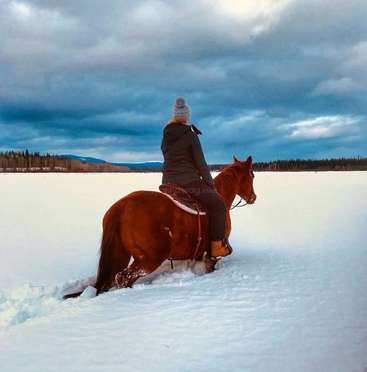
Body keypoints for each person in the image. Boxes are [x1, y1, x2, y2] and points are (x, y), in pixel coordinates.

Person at [160, 97, 231, 258]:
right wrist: (210, 185)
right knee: (219, 205)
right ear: (186, 116)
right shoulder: (191, 136)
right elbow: (201, 164)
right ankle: (216, 247)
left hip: (168, 182)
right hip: (189, 182)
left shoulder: (166, 135)